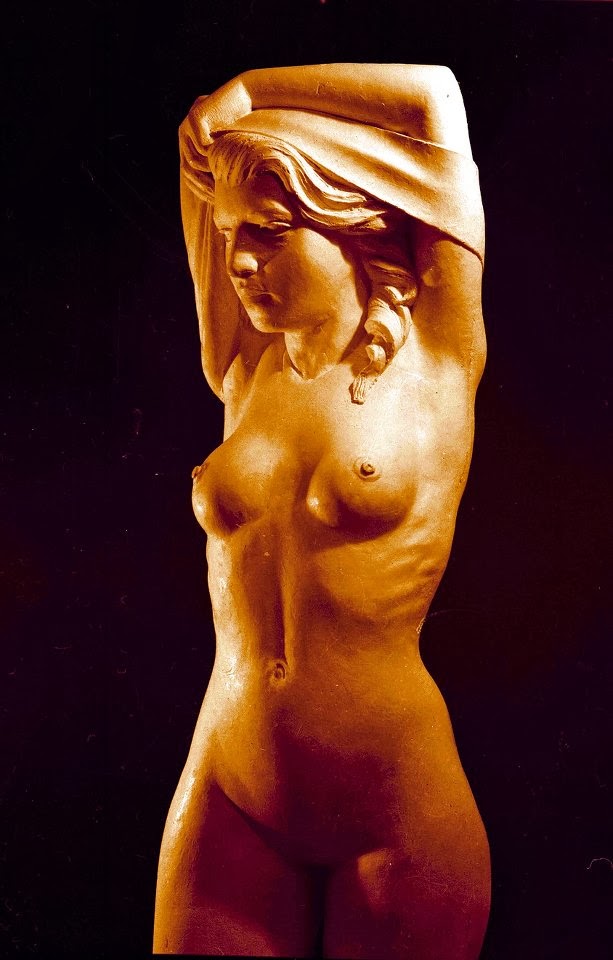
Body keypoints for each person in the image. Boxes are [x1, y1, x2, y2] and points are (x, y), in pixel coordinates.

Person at [153, 64, 490, 959]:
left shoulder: (436, 359)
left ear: (351, 229)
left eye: (269, 234)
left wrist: (247, 88)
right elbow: (198, 157)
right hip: (230, 786)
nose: (240, 262)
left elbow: (434, 102)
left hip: (391, 808)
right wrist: (219, 131)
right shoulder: (242, 367)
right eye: (230, 235)